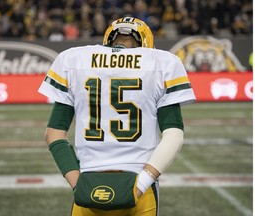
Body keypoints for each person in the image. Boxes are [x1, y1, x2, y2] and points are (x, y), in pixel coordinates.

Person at [38, 17, 196, 216]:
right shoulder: (161, 63)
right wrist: (141, 185)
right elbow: (174, 136)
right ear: (146, 43)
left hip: (89, 186)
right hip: (140, 189)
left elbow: (53, 135)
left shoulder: (73, 60)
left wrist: (78, 185)